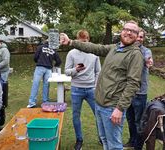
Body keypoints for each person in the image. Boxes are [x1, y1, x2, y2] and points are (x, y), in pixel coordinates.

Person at [60, 20, 144, 150]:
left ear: (137, 35)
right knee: (104, 139)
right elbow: (95, 48)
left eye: (133, 31)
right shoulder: (115, 48)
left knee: (114, 145)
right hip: (100, 103)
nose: (128, 32)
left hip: (112, 107)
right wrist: (71, 42)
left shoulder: (135, 54)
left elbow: (133, 84)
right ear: (122, 31)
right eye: (126, 29)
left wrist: (120, 109)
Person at [64, 30, 101, 150]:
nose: (83, 42)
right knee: (76, 116)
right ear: (77, 40)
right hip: (76, 89)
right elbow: (67, 71)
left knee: (99, 114)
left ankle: (102, 138)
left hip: (91, 89)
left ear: (88, 39)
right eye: (81, 40)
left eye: (85, 40)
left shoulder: (94, 53)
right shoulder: (71, 53)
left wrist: (95, 86)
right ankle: (79, 139)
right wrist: (75, 70)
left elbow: (98, 72)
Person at [123, 28, 153, 150]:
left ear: (143, 39)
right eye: (138, 36)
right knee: (130, 119)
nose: (139, 39)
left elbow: (148, 59)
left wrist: (149, 61)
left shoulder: (146, 51)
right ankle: (132, 140)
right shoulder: (127, 50)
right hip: (128, 91)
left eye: (141, 37)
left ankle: (138, 146)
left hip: (140, 93)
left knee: (139, 121)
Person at [27, 41, 62, 108]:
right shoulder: (53, 50)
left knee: (35, 84)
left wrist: (39, 62)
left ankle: (32, 103)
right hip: (48, 69)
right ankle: (45, 101)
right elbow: (59, 61)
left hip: (39, 67)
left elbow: (35, 57)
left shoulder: (40, 47)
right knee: (46, 85)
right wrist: (55, 66)